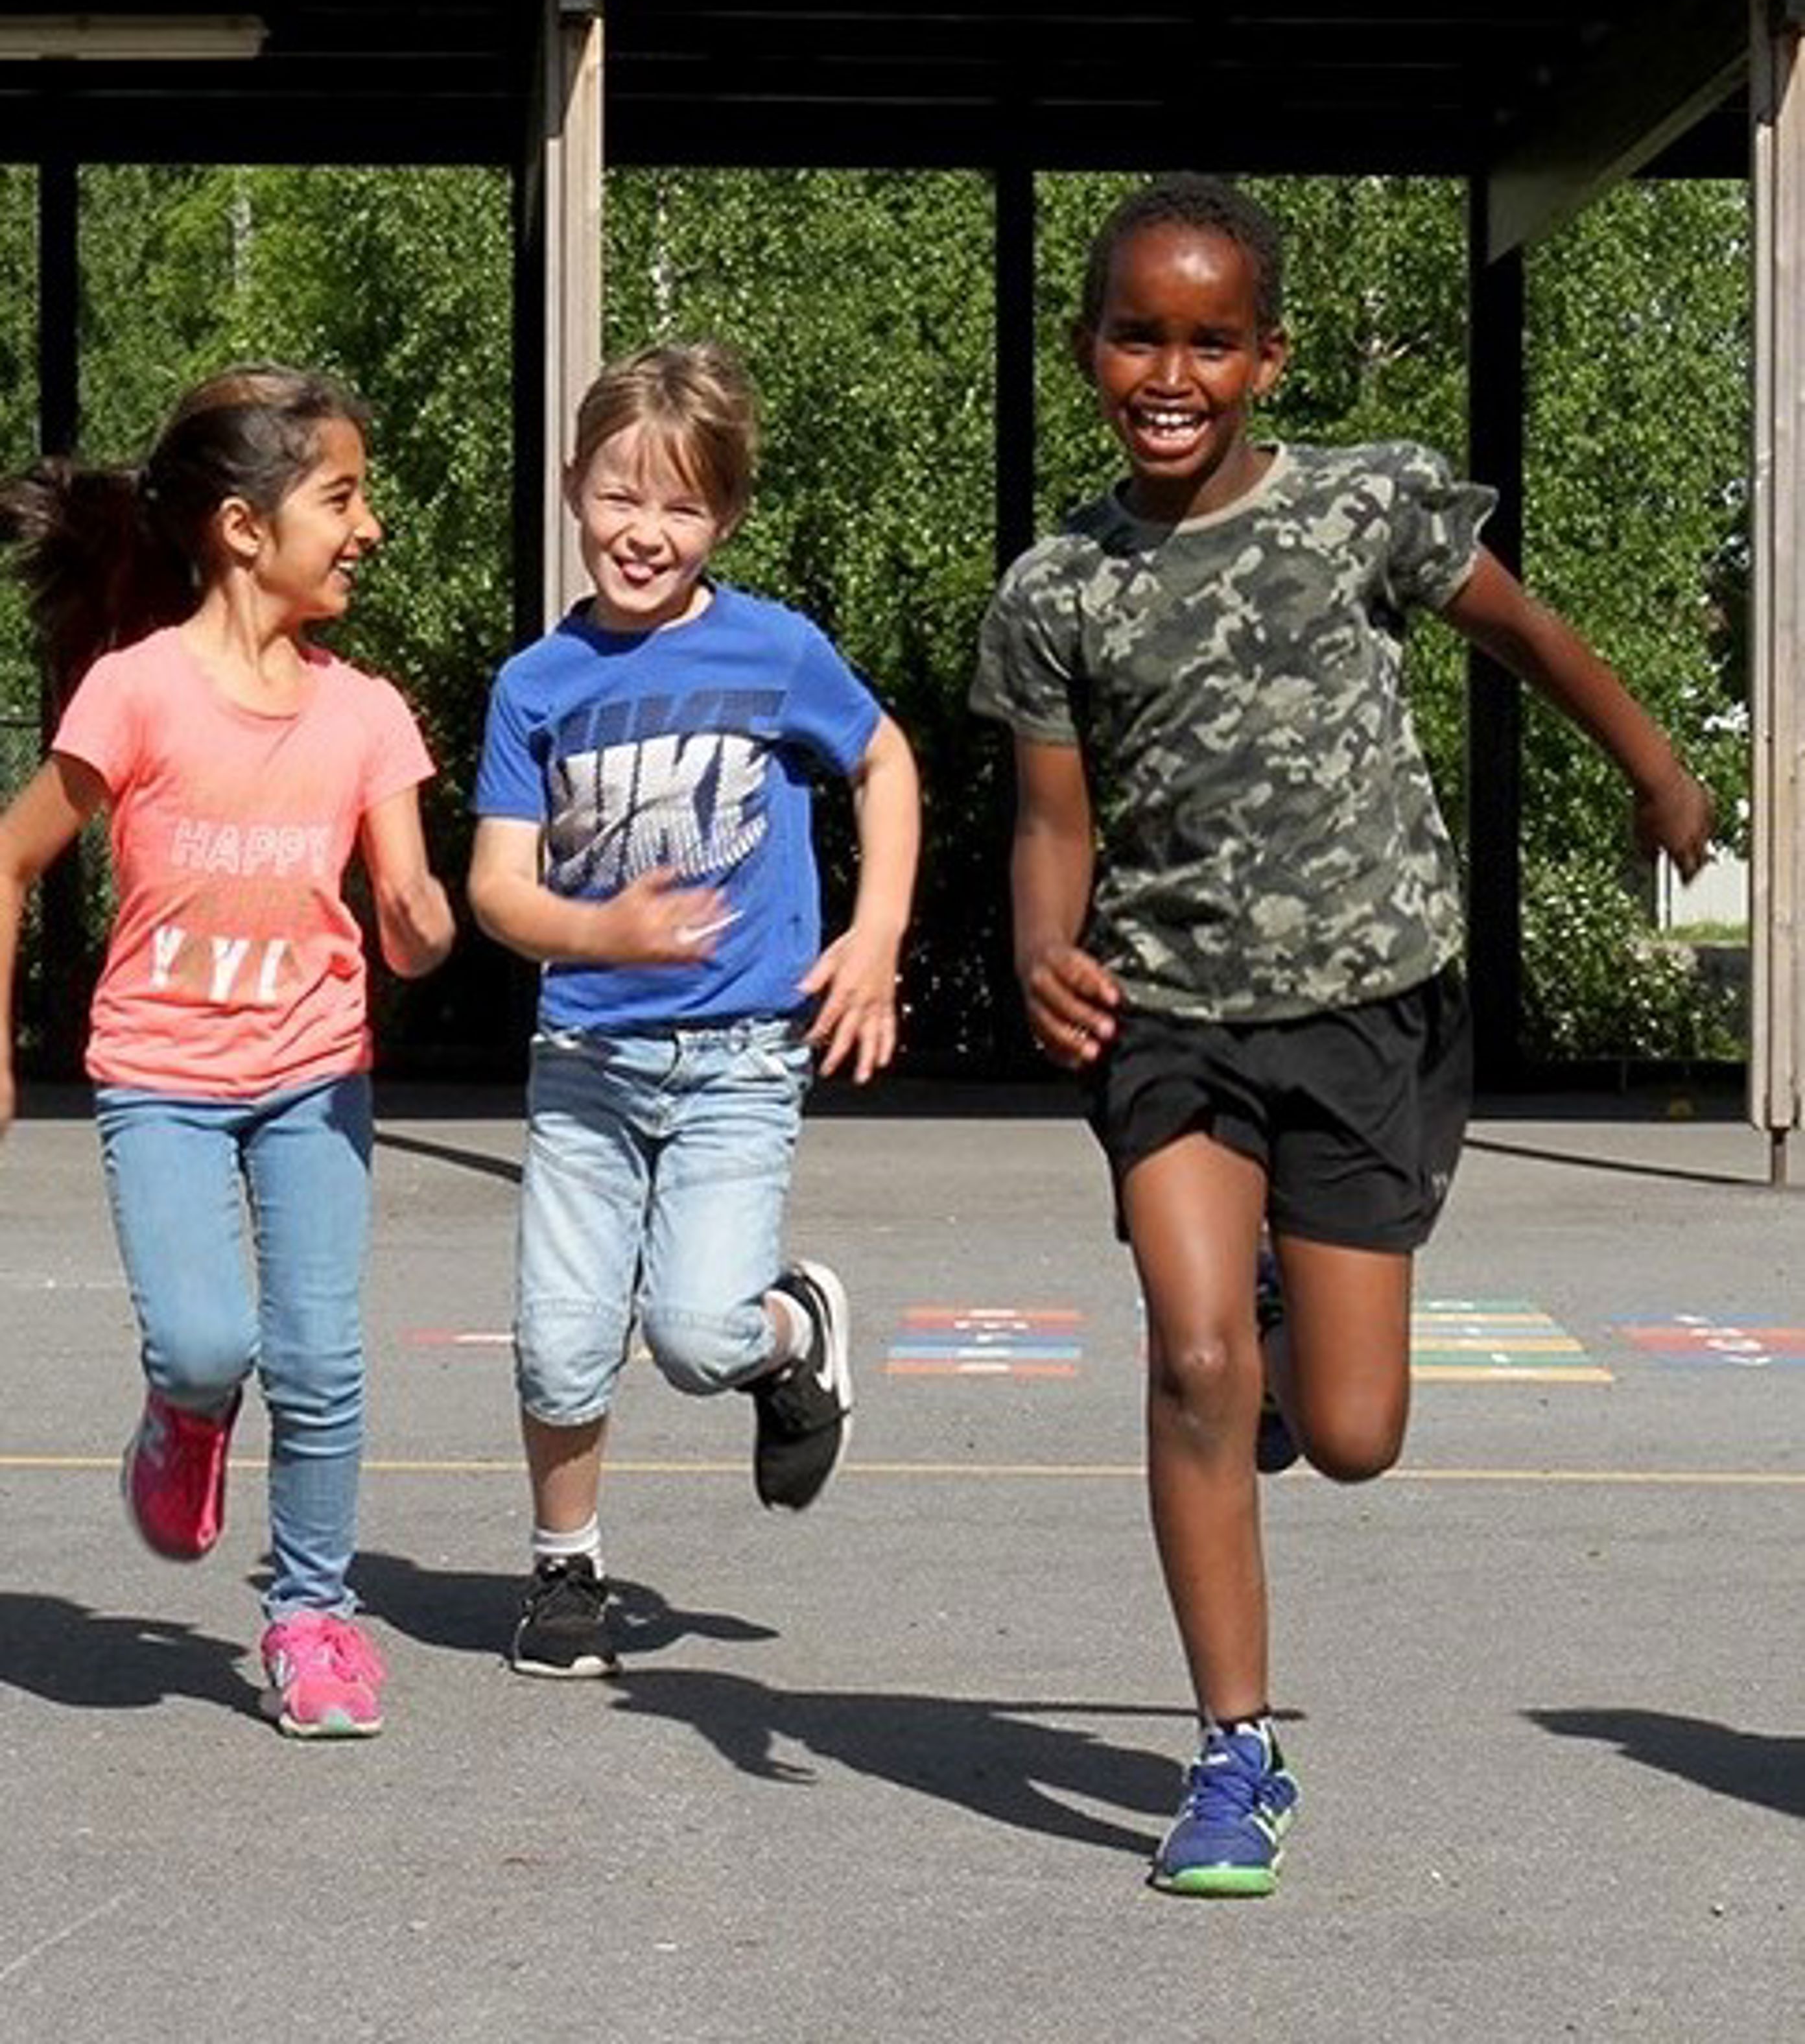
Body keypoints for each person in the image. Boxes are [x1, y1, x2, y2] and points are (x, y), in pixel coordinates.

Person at [969, 174, 1712, 1897]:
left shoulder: (1366, 507)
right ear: (1088, 350)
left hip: (1372, 1009)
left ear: (1269, 358)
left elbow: (1527, 635)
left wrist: (1658, 768)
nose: (1171, 375)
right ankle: (1235, 1755)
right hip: (1168, 1015)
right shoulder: (1060, 587)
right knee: (1192, 1365)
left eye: (1209, 342)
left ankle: (1280, 1309)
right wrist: (1041, 948)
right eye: (1137, 338)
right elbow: (1055, 821)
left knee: (1356, 1432)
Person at [0, 365, 454, 1739]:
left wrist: (422, 922)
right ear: (245, 528)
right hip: (162, 1080)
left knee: (319, 1362)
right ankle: (184, 1413)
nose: (369, 528)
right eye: (343, 498)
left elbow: (409, 913)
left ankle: (312, 1617)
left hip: (315, 1074)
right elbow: (11, 859)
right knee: (207, 1344)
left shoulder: (366, 713)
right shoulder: (136, 693)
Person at [468, 340, 919, 1678]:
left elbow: (884, 761)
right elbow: (497, 888)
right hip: (586, 1063)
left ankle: (794, 1333)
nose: (644, 531)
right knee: (560, 1343)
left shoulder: (773, 650)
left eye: (680, 506)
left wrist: (876, 937)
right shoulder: (537, 685)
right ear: (573, 488)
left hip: (739, 1061)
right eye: (620, 495)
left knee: (696, 1333)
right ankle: (565, 1572)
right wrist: (596, 931)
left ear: (725, 516)